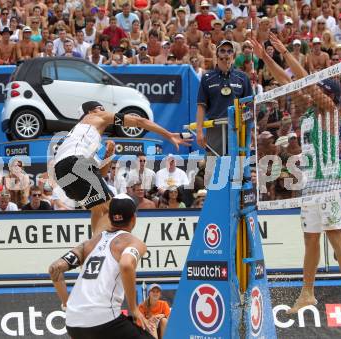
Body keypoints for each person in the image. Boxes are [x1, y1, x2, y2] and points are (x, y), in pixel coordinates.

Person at [250, 33, 341, 318]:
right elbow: (290, 83)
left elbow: (306, 80)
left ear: (328, 94)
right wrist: (266, 58)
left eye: (317, 89)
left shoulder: (330, 110)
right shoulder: (309, 110)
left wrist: (285, 52)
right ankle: (306, 293)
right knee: (310, 239)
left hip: (331, 180)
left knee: (335, 235)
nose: (311, 91)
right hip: (311, 183)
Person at [53, 101, 191, 236]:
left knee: (97, 209)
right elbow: (139, 121)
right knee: (113, 210)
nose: (104, 112)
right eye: (101, 109)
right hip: (75, 163)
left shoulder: (81, 135)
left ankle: (95, 247)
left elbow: (100, 174)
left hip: (62, 173)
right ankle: (113, 246)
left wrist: (109, 155)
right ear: (92, 111)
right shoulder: (95, 117)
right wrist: (169, 135)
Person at [49, 194, 156, 339]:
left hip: (73, 322)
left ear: (111, 218)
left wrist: (66, 303)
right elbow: (126, 265)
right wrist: (134, 308)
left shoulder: (89, 243)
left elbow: (55, 268)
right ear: (134, 219)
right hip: (104, 320)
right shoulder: (133, 242)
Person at [196, 40, 253, 156]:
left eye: (229, 51)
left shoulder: (243, 77)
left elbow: (249, 107)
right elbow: (201, 106)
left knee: (238, 168)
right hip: (215, 128)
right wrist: (199, 131)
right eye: (222, 51)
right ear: (217, 55)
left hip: (237, 129)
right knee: (212, 169)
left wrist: (248, 130)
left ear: (234, 56)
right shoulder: (207, 78)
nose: (226, 54)